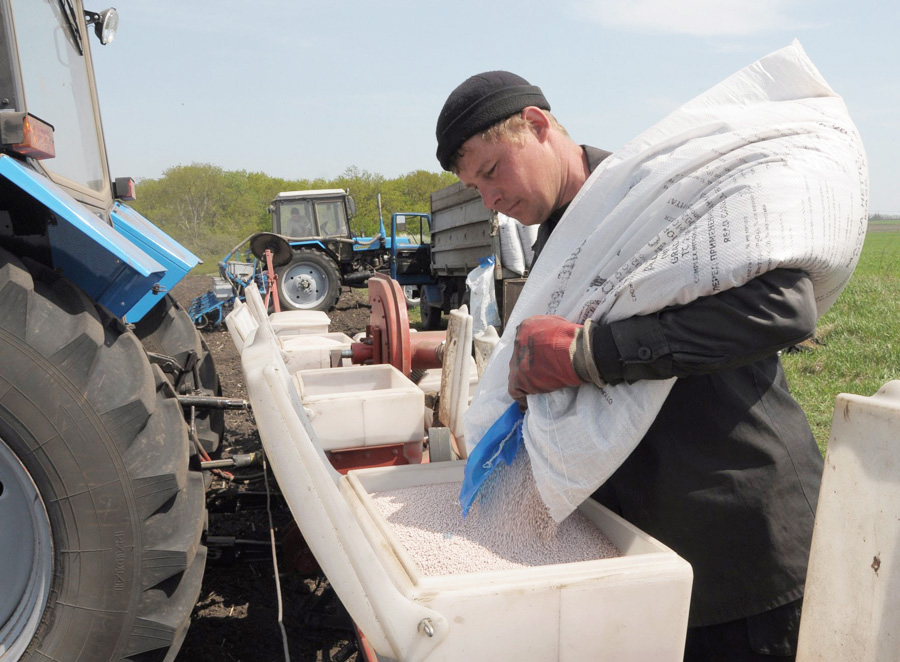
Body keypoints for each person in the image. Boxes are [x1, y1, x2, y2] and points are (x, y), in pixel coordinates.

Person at [435, 71, 824, 661]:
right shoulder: (559, 239)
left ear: (536, 126)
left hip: (740, 542)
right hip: (650, 546)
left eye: (491, 172)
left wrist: (586, 353)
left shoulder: (657, 195)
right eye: (475, 188)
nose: (489, 199)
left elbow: (782, 308)